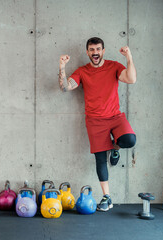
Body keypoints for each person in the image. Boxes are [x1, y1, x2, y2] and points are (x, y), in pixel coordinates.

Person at [58, 37, 137, 211]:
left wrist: (129, 57)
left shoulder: (114, 66)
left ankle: (115, 148)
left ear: (103, 50)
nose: (95, 53)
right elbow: (65, 88)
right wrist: (62, 67)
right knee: (100, 159)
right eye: (92, 50)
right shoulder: (82, 71)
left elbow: (131, 79)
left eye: (98, 49)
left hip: (115, 117)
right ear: (87, 52)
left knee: (130, 140)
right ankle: (107, 197)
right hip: (94, 121)